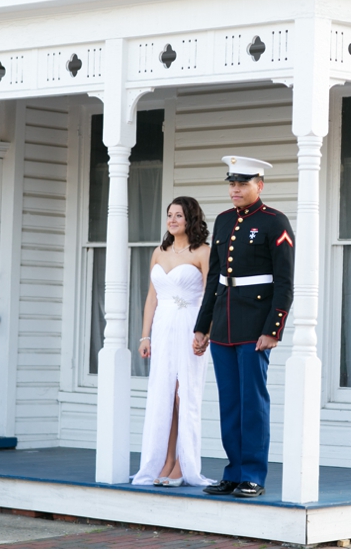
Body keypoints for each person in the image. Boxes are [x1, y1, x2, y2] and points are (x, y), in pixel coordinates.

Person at [194, 156, 295, 498]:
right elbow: (215, 279)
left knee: (253, 403)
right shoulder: (222, 221)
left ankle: (253, 474)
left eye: (243, 184)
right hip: (223, 323)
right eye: (232, 184)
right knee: (230, 404)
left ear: (259, 185)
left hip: (255, 325)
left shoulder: (274, 222)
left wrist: (273, 328)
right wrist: (203, 325)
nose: (235, 190)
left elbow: (284, 282)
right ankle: (233, 472)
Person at [131, 196, 214, 488]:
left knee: (184, 394)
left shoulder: (203, 252)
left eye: (178, 215)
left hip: (190, 325)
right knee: (163, 395)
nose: (172, 220)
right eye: (169, 215)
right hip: (163, 327)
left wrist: (205, 331)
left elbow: (211, 295)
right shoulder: (159, 252)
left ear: (191, 219)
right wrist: (145, 335)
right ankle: (165, 460)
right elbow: (152, 297)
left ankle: (183, 463)